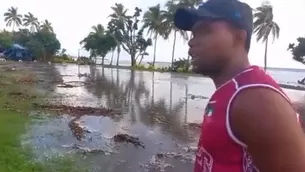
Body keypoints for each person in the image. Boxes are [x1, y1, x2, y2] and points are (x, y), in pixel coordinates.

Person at [173, 0, 305, 172]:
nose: (192, 42)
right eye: (194, 34)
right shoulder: (232, 92)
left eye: (205, 31)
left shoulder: (255, 100)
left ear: (238, 37)